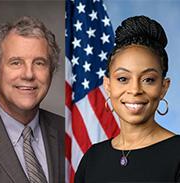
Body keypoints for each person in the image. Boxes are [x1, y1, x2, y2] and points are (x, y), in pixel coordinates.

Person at [74, 15, 180, 182]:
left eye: (148, 80)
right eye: (123, 79)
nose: (135, 90)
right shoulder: (92, 158)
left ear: (163, 87)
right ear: (108, 85)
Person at [0, 16, 64, 183]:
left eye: (39, 63)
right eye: (16, 63)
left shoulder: (69, 132)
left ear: (51, 72)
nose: (28, 74)